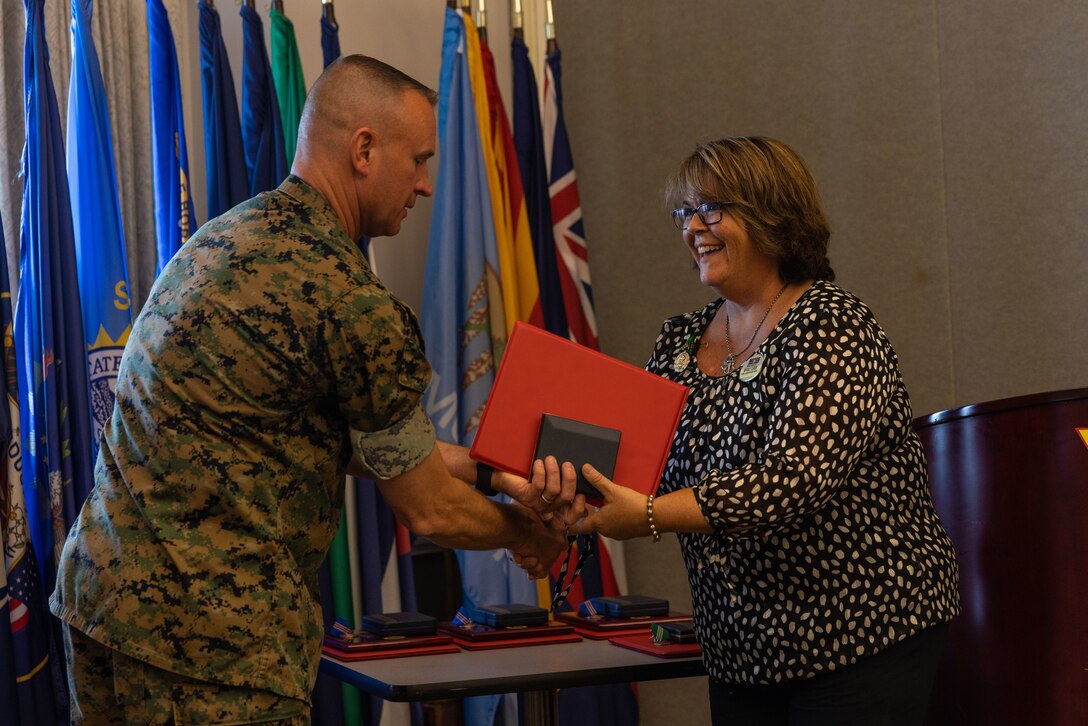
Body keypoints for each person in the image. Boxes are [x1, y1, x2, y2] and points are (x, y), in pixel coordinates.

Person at [49, 56, 569, 724]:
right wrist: (529, 532)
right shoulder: (349, 298)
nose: (426, 184)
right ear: (363, 150)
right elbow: (431, 512)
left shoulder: (219, 239)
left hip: (103, 601)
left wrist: (497, 471)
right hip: (208, 643)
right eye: (418, 160)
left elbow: (307, 436)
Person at [566, 137, 960, 725]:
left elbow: (790, 480)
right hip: (741, 654)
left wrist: (645, 515)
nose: (692, 228)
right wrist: (552, 504)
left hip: (860, 634)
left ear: (772, 215)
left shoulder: (833, 325)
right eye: (683, 213)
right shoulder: (678, 341)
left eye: (711, 209)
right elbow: (626, 462)